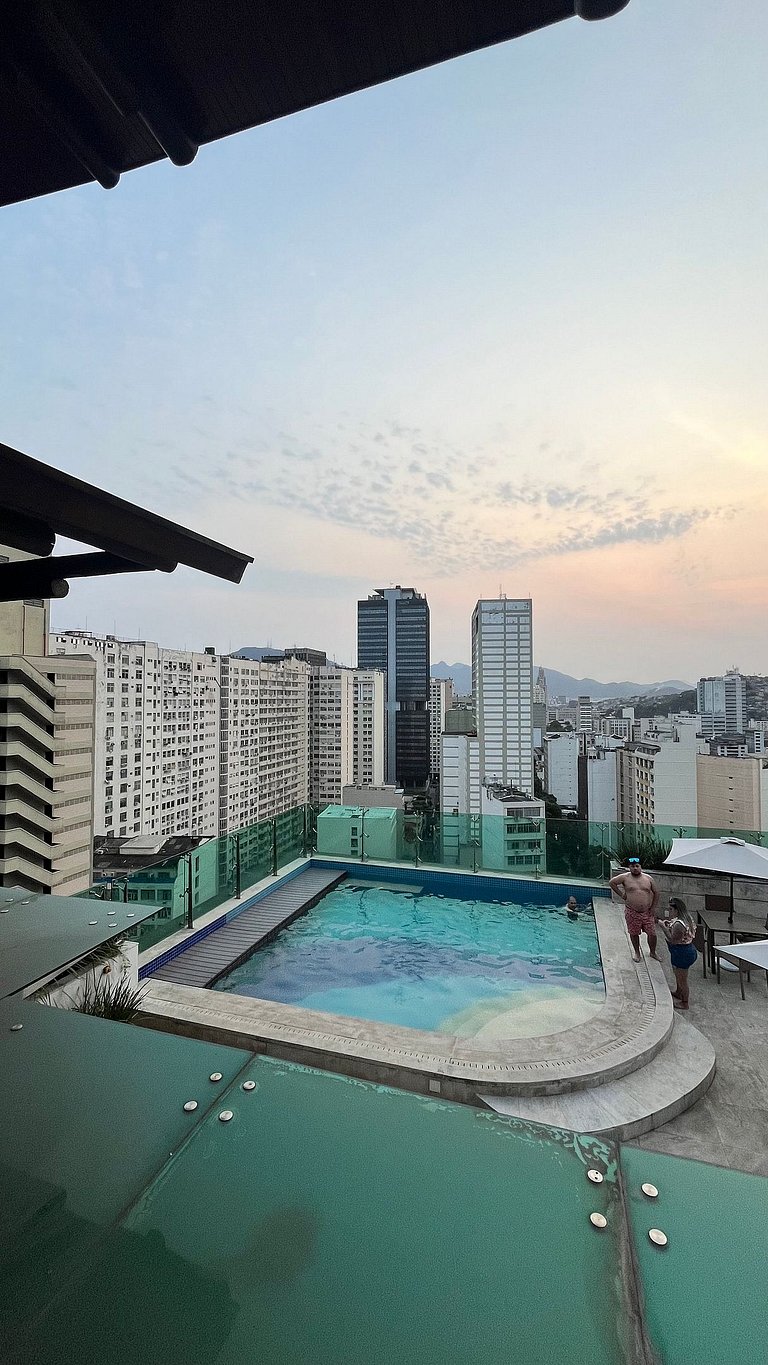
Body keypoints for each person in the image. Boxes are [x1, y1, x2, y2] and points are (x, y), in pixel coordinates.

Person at [609, 858, 660, 962]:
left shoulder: (648, 878)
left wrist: (653, 908)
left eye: (637, 866)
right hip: (632, 911)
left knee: (652, 934)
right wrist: (621, 894)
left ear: (640, 867)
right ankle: (637, 952)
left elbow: (656, 893)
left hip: (647, 912)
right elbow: (612, 883)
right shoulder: (625, 877)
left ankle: (653, 952)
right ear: (629, 867)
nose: (635, 868)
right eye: (632, 866)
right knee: (634, 933)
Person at [658, 896, 697, 1010]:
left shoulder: (679, 924)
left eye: (671, 909)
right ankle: (679, 992)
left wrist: (662, 927)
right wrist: (669, 924)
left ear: (676, 910)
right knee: (678, 974)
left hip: (682, 953)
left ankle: (685, 1002)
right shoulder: (686, 918)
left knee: (682, 979)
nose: (669, 911)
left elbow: (673, 940)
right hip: (685, 950)